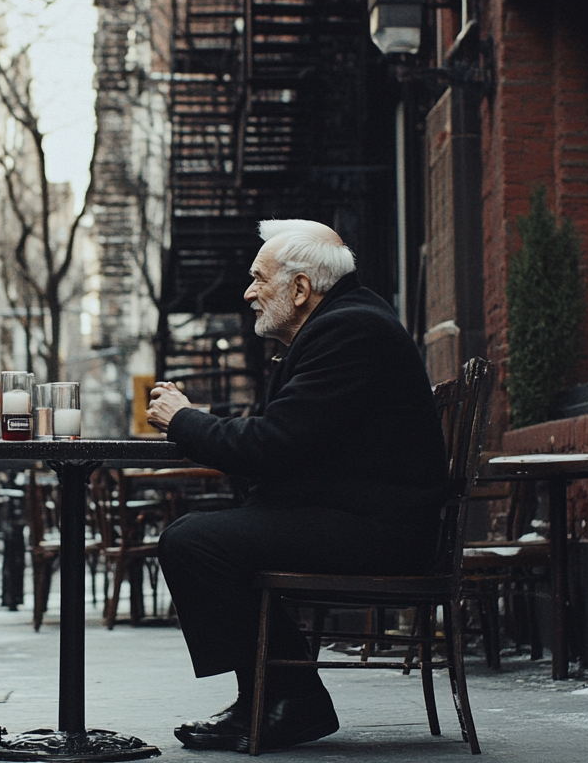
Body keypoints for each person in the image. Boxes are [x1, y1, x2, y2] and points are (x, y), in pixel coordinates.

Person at [146, 219, 448, 752]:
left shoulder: (348, 330)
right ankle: (272, 697)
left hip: (380, 531)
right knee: (200, 535)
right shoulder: (346, 324)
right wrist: (201, 423)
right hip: (359, 517)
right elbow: (283, 446)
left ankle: (286, 699)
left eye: (259, 279)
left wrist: (185, 420)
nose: (248, 292)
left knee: (193, 540)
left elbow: (271, 446)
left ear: (301, 288)